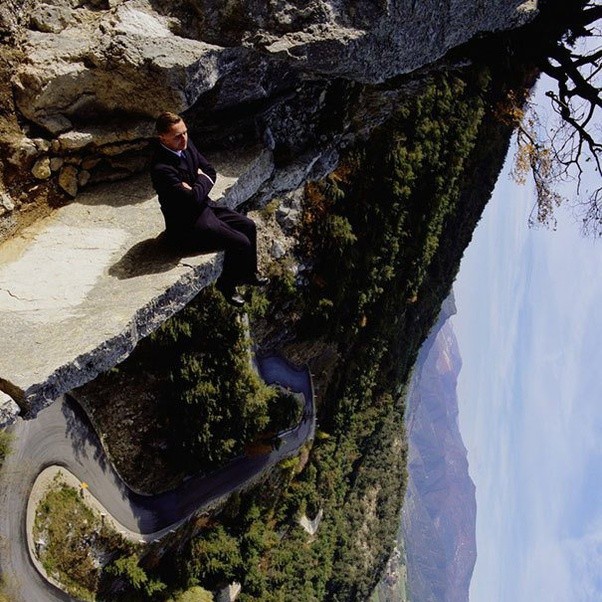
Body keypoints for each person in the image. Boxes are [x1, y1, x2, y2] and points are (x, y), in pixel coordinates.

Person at [150, 111, 268, 306]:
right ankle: (227, 285)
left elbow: (210, 172)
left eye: (185, 132)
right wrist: (201, 180)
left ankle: (248, 273)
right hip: (187, 223)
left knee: (248, 225)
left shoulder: (187, 146)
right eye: (177, 136)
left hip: (204, 205)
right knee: (240, 242)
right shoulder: (161, 168)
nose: (184, 138)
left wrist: (200, 181)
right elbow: (192, 198)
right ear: (162, 138)